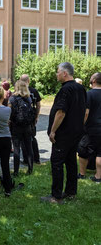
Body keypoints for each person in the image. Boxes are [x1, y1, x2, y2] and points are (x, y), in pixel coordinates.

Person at [41, 62, 86, 203]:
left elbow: (61, 112)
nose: (56, 74)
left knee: (57, 162)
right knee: (71, 162)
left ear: (65, 73)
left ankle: (56, 196)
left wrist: (53, 131)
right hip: (75, 132)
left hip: (64, 133)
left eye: (58, 71)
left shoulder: (66, 90)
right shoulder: (81, 88)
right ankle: (71, 192)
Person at [78, 73, 101, 182]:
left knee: (83, 149)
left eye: (91, 77)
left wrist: (81, 124)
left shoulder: (89, 94)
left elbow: (86, 113)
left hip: (91, 128)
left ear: (95, 80)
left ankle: (82, 174)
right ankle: (98, 176)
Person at [9, 80, 34, 176]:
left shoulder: (13, 98)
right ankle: (30, 169)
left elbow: (9, 112)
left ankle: (16, 171)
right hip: (27, 126)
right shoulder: (28, 98)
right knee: (29, 147)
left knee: (16, 148)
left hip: (16, 126)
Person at [20, 74, 42, 164]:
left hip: (21, 118)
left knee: (23, 139)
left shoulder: (19, 92)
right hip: (31, 117)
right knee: (32, 137)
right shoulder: (34, 91)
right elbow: (38, 104)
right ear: (28, 80)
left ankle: (26, 159)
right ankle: (36, 159)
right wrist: (37, 116)